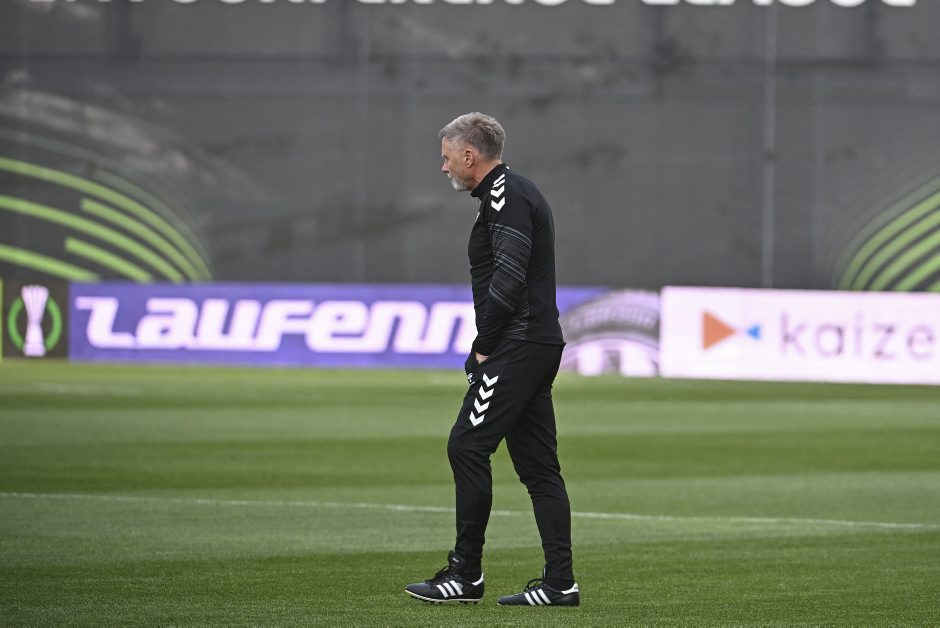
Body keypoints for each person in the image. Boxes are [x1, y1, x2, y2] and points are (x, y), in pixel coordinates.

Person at [404, 112, 579, 607]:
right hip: (534, 341)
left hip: (517, 344)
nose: (444, 168)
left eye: (446, 158)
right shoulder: (506, 195)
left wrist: (484, 344)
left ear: (469, 154)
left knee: (467, 445)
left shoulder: (506, 195)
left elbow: (509, 275)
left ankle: (466, 575)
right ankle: (560, 584)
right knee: (539, 469)